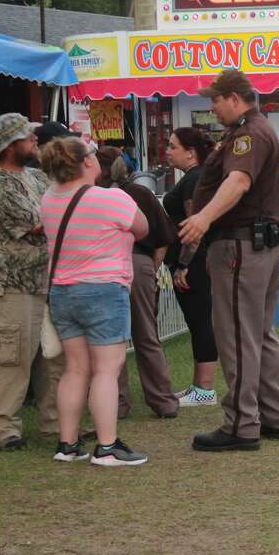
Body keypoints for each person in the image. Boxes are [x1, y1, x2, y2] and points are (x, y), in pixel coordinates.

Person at [181, 70, 279, 451]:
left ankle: (242, 424)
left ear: (233, 97)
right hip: (255, 245)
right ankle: (274, 416)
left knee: (237, 336)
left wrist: (203, 217)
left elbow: (238, 182)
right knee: (260, 335)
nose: (211, 106)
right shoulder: (251, 130)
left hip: (240, 246)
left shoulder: (249, 134)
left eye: (214, 99)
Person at [40, 137, 149, 466]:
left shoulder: (48, 199)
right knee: (107, 369)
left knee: (75, 369)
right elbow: (142, 228)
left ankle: (67, 444)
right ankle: (107, 445)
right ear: (86, 162)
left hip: (61, 290)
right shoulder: (111, 198)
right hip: (103, 289)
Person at [0, 114, 64, 451]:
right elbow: (40, 221)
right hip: (13, 282)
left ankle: (56, 425)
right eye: (28, 138)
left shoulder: (36, 176)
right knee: (13, 356)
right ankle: (3, 429)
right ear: (11, 145)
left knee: (55, 356)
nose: (35, 141)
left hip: (46, 278)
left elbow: (58, 205)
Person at [98, 147, 178, 421]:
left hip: (104, 267)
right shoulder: (140, 193)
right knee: (147, 334)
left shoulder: (92, 196)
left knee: (110, 338)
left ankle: (117, 404)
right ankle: (164, 401)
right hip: (139, 261)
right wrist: (150, 268)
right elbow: (165, 236)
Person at [163, 127, 220, 406]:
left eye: (173, 146)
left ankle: (205, 389)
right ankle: (198, 385)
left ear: (190, 152)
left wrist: (183, 264)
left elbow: (194, 225)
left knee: (200, 321)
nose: (168, 151)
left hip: (194, 263)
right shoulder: (193, 178)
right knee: (196, 321)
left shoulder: (195, 180)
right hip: (192, 261)